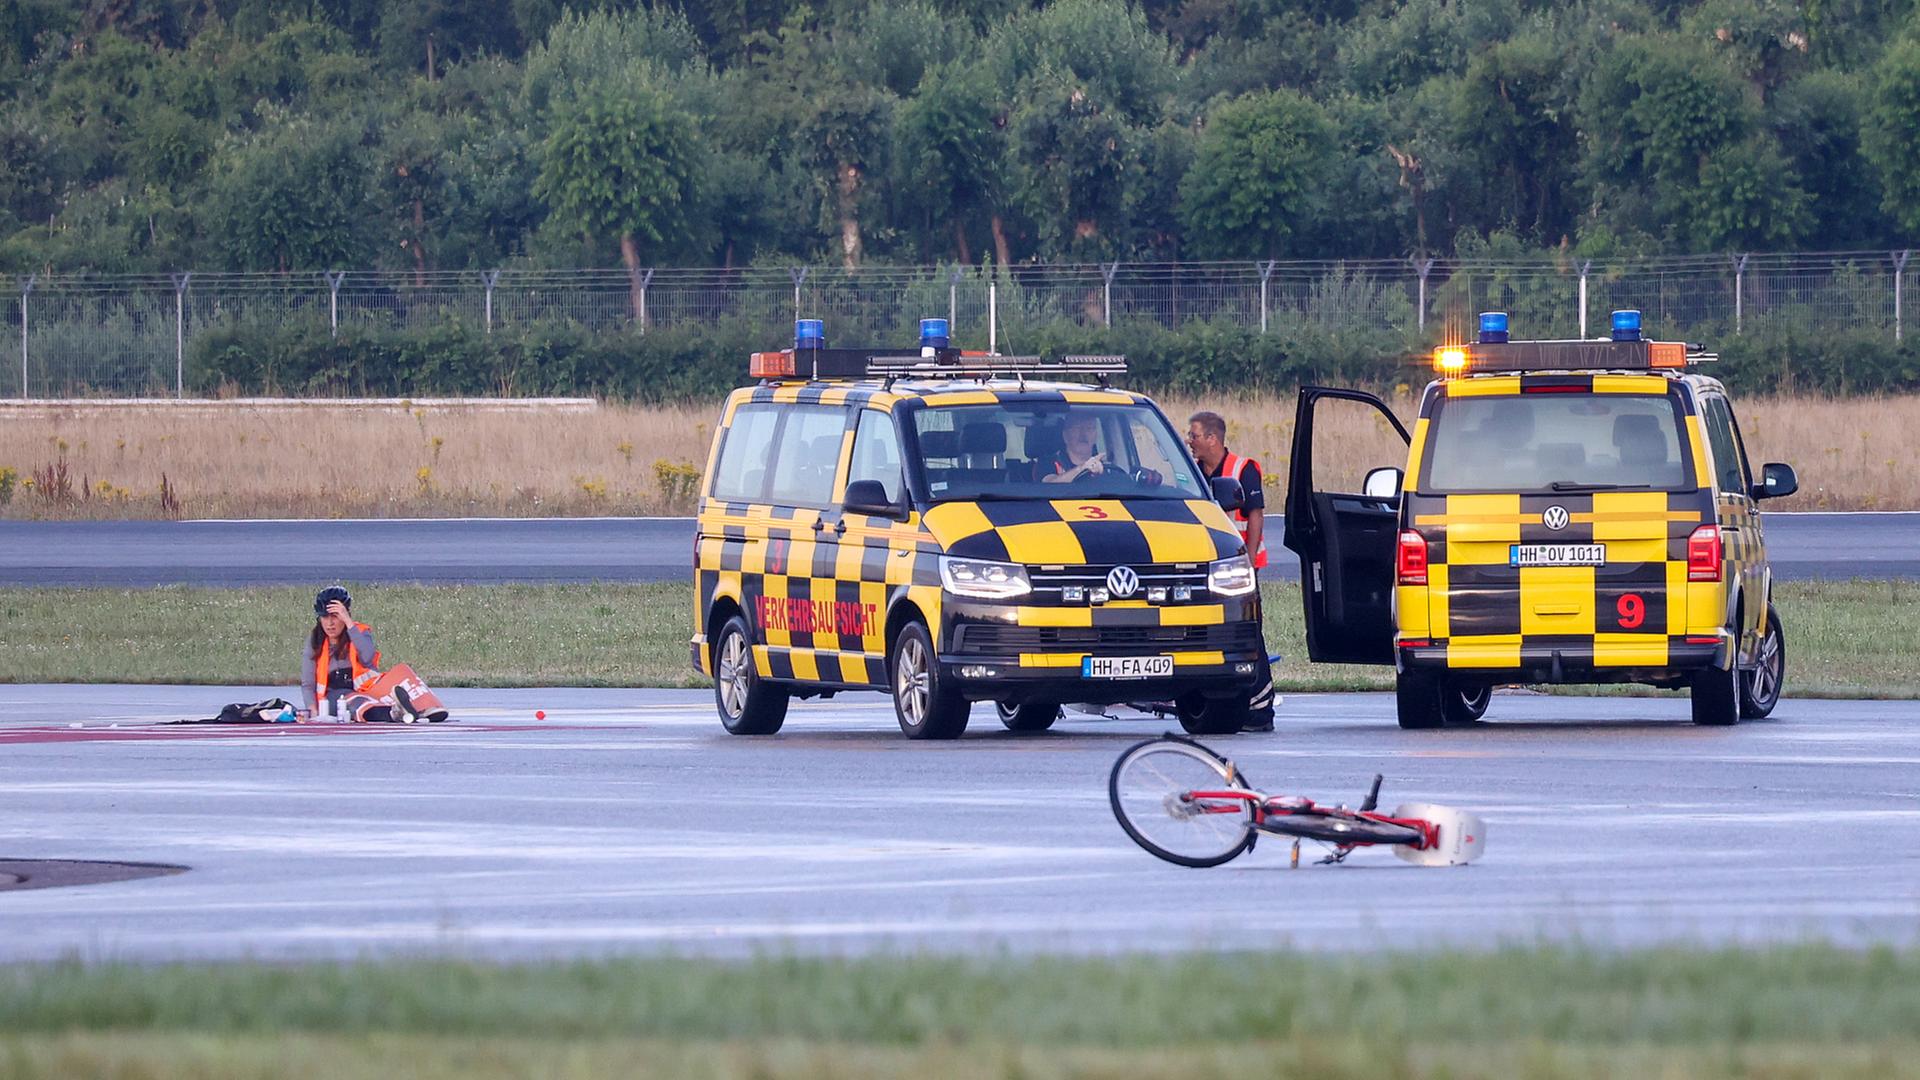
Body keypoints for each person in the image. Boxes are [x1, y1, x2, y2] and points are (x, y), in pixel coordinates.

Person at [1185, 411, 1276, 731]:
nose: (1189, 441)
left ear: (1212, 438)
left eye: (1194, 435)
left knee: (1250, 635)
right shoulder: (1192, 472)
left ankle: (1261, 709)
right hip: (1206, 567)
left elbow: (1255, 515)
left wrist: (1248, 561)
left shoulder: (1243, 469)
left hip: (1238, 567)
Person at [299, 587, 439, 723]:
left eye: (335, 616)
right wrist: (313, 712)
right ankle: (393, 713)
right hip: (336, 697)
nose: (330, 623)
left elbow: (367, 657)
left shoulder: (359, 631)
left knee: (403, 672)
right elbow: (307, 683)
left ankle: (426, 708)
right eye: (325, 617)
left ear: (346, 614)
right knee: (358, 702)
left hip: (368, 688)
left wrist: (349, 623)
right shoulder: (314, 641)